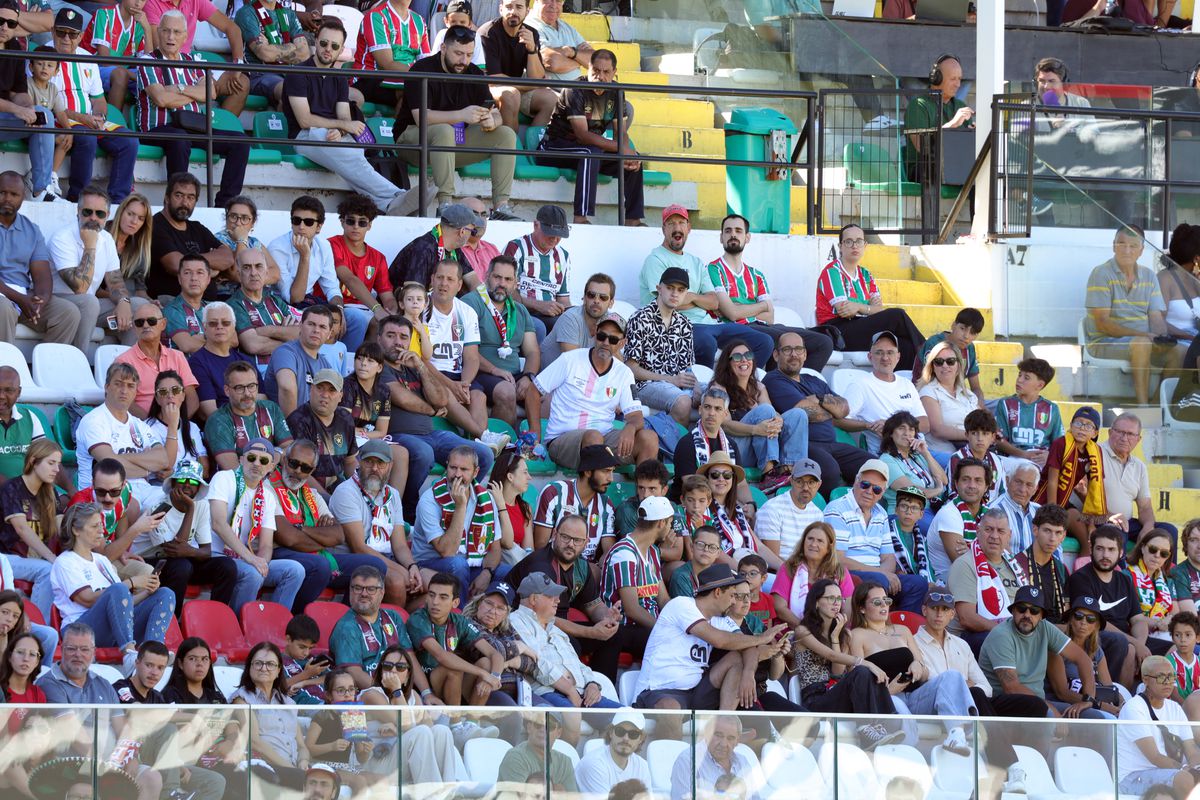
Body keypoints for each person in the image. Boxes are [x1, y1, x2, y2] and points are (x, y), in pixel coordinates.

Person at [633, 564, 786, 737]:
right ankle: (672, 759)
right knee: (671, 708)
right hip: (658, 691)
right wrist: (762, 638)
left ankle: (723, 727)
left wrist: (749, 674)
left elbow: (747, 645)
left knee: (736, 658)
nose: (734, 601)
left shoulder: (721, 619)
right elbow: (719, 640)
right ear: (718, 592)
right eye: (732, 595)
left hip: (695, 692)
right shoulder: (681, 605)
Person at [375, 315, 495, 517]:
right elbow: (402, 398)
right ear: (379, 339)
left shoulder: (413, 367)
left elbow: (440, 399)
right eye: (390, 335)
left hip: (432, 434)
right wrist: (431, 410)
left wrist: (421, 366)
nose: (398, 342)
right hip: (398, 435)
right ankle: (408, 510)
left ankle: (450, 504)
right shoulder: (378, 366)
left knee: (483, 454)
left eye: (403, 337)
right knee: (423, 453)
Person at [393, 26, 519, 217]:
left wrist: (492, 121)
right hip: (412, 142)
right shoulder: (422, 68)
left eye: (469, 54)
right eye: (458, 53)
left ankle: (501, 207)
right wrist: (462, 115)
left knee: (506, 134)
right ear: (443, 48)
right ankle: (445, 204)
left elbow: (496, 113)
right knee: (444, 130)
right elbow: (421, 118)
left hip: (451, 146)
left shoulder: (474, 72)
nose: (464, 60)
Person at [135, 11, 251, 206]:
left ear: (185, 36)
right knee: (180, 140)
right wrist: (194, 92)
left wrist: (179, 89)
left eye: (177, 32)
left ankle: (225, 205)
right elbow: (161, 99)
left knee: (240, 142)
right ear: (159, 33)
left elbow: (211, 93)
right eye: (166, 31)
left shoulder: (194, 62)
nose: (171, 37)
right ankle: (177, 202)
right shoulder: (148, 61)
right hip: (157, 128)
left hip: (193, 127)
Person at [849, 580, 977, 755]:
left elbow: (924, 674)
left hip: (916, 696)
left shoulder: (903, 631)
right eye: (877, 602)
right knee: (897, 705)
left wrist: (918, 665)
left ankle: (956, 734)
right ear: (862, 608)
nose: (884, 606)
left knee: (952, 676)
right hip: (886, 699)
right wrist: (887, 691)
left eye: (886, 601)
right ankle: (910, 760)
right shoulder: (857, 635)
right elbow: (858, 681)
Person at [640, 205, 774, 368]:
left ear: (689, 228)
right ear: (663, 229)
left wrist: (693, 297)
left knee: (764, 341)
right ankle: (706, 388)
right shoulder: (656, 259)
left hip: (710, 324)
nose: (677, 228)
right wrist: (697, 300)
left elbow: (714, 302)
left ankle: (741, 384)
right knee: (706, 342)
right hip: (676, 325)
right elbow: (666, 302)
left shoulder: (695, 262)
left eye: (682, 223)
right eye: (671, 224)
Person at [50, 502, 175, 673]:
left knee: (165, 594)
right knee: (118, 588)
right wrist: (132, 582)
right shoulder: (65, 561)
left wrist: (147, 591)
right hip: (80, 629)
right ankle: (130, 654)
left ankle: (154, 651)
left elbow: (122, 603)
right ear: (76, 530)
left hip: (113, 627)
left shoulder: (101, 560)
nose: (101, 531)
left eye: (101, 525)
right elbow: (86, 599)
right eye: (95, 526)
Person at [268, 439, 390, 609]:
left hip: (316, 554)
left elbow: (338, 536)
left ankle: (347, 620)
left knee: (374, 566)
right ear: (284, 460)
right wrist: (320, 536)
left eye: (305, 468)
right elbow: (288, 538)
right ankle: (297, 617)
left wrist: (300, 529)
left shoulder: (312, 494)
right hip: (280, 553)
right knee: (320, 566)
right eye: (293, 463)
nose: (297, 471)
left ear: (311, 471)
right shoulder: (268, 488)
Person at [706, 214, 834, 371]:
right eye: (728, 231)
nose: (733, 234)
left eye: (738, 231)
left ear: (747, 237)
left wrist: (739, 308)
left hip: (763, 326)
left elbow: (770, 316)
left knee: (823, 342)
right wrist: (759, 306)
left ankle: (799, 386)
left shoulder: (756, 275)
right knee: (778, 341)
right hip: (732, 330)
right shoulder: (713, 269)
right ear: (721, 237)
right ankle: (777, 386)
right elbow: (732, 314)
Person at [533, 311, 658, 471]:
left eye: (613, 339)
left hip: (602, 438)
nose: (606, 342)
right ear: (594, 333)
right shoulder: (570, 359)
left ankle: (645, 494)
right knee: (594, 437)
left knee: (649, 438)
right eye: (602, 336)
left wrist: (630, 428)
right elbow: (533, 390)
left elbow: (635, 416)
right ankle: (595, 492)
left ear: (622, 343)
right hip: (562, 440)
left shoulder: (624, 372)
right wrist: (535, 431)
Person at [534, 48, 645, 227]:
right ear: (588, 69)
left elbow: (621, 133)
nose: (600, 76)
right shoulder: (575, 89)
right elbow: (582, 135)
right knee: (590, 152)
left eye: (606, 72)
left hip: (588, 151)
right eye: (596, 71)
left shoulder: (617, 92)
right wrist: (620, 148)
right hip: (554, 148)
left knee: (635, 160)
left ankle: (633, 219)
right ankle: (581, 217)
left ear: (614, 73)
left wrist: (626, 154)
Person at [502, 513, 623, 673]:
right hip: (526, 627)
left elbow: (593, 605)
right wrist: (591, 632)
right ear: (554, 534)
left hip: (554, 626)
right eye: (565, 537)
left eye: (577, 540)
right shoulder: (541, 565)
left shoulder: (582, 567)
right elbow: (543, 618)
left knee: (614, 636)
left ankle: (597, 690)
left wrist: (607, 618)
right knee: (572, 644)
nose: (571, 544)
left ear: (586, 542)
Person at [1085, 225, 1184, 405]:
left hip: (1143, 341)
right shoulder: (1101, 273)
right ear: (1113, 246)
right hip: (1104, 342)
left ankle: (1157, 406)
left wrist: (1161, 338)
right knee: (1141, 344)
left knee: (1179, 351)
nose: (1127, 250)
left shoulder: (1149, 275)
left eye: (1133, 245)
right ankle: (1143, 406)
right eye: (1121, 244)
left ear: (1141, 250)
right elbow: (1102, 324)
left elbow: (1156, 317)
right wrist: (1145, 336)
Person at [763, 331, 870, 497]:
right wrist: (830, 407)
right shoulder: (774, 379)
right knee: (830, 471)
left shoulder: (814, 380)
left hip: (832, 444)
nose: (794, 355)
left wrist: (818, 400)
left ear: (805, 354)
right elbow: (804, 412)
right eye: (787, 350)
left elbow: (844, 409)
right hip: (803, 444)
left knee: (871, 465)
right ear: (776, 355)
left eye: (798, 349)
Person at [47, 9, 137, 204]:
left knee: (129, 141)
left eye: (72, 34)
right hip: (58, 118)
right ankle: (78, 197)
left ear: (80, 36)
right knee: (87, 138)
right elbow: (46, 101)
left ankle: (117, 201)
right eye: (61, 32)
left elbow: (99, 100)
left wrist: (99, 118)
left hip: (86, 120)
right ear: (53, 32)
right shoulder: (43, 56)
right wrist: (84, 119)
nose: (66, 39)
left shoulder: (87, 57)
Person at [207, 437, 306, 614]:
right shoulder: (224, 478)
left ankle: (275, 624)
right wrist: (251, 559)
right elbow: (218, 523)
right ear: (241, 460)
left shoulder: (267, 496)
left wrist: (262, 564)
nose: (257, 464)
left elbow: (266, 545)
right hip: (216, 555)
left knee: (295, 570)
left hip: (244, 559)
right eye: (252, 458)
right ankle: (240, 626)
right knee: (252, 573)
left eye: (264, 460)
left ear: (270, 467)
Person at [133, 460, 239, 617]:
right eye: (182, 480)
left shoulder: (201, 505)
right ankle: (172, 621)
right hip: (148, 561)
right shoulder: (158, 507)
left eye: (193, 481)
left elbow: (206, 551)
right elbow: (173, 551)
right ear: (174, 483)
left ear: (199, 487)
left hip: (179, 559)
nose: (187, 485)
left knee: (227, 566)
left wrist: (190, 550)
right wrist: (190, 510)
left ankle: (216, 619)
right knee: (182, 565)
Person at [979, 585, 1100, 718]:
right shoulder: (1001, 635)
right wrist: (1051, 709)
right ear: (1013, 611)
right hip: (1006, 705)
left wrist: (1088, 700)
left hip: (1039, 703)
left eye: (1034, 611)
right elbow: (1011, 688)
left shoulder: (1045, 628)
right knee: (1047, 714)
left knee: (1097, 717)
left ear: (1041, 615)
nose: (1027, 615)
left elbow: (1082, 658)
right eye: (1022, 609)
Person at [814, 224, 926, 368]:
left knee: (905, 345)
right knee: (897, 315)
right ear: (840, 246)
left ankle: (910, 383)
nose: (854, 246)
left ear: (865, 245)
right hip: (838, 332)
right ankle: (929, 350)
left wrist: (859, 307)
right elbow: (844, 311)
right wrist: (868, 307)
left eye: (859, 241)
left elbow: (879, 309)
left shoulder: (865, 274)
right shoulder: (832, 272)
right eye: (849, 241)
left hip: (861, 326)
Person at [824, 458, 928, 612]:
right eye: (865, 485)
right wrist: (881, 573)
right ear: (856, 481)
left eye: (876, 489)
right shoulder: (837, 509)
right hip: (847, 575)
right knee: (879, 581)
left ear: (882, 493)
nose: (869, 492)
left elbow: (888, 557)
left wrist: (884, 573)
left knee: (918, 583)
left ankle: (902, 627)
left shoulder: (881, 513)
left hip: (877, 575)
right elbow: (837, 560)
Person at [329, 441, 424, 604]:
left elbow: (400, 545)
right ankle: (393, 626)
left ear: (390, 465)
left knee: (431, 584)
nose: (374, 468)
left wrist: (411, 567)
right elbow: (358, 547)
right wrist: (399, 571)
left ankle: (405, 622)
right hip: (352, 559)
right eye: (369, 462)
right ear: (359, 462)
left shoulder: (392, 494)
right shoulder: (346, 492)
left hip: (383, 557)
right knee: (396, 581)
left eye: (381, 463)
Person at [508, 572, 620, 711]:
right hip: (547, 693)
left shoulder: (556, 629)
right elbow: (536, 663)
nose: (558, 600)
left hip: (581, 692)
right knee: (572, 718)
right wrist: (570, 691)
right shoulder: (515, 621)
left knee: (630, 716)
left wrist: (592, 684)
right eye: (551, 596)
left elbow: (579, 664)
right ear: (533, 599)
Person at [48, 186, 140, 352]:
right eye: (87, 212)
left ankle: (125, 366)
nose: (93, 218)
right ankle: (78, 362)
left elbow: (115, 282)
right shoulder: (62, 238)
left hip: (89, 306)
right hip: (59, 300)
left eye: (100, 214)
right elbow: (80, 288)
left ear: (107, 216)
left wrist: (123, 301)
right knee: (89, 302)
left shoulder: (106, 239)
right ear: (78, 211)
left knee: (139, 306)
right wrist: (90, 245)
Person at [0, 171, 83, 350]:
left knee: (68, 313)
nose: (7, 198)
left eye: (14, 194)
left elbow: (43, 276)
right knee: (2, 307)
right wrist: (21, 299)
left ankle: (48, 370)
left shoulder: (32, 231)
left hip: (22, 299)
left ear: (23, 198)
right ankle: (4, 371)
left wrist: (40, 302)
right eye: (2, 192)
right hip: (5, 300)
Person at [269, 199, 368, 350]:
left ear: (319, 227)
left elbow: (332, 288)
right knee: (316, 323)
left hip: (309, 303)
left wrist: (339, 313)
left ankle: (346, 364)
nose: (301, 227)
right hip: (282, 306)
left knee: (356, 319)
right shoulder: (278, 248)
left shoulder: (323, 246)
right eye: (296, 221)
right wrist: (305, 257)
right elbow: (293, 298)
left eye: (308, 222)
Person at [1070, 524, 1161, 688]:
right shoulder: (1081, 578)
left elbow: (1138, 620)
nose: (1105, 555)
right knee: (1127, 647)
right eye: (1100, 549)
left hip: (1127, 637)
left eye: (1111, 550)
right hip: (1096, 635)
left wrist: (1141, 643)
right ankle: (1121, 699)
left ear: (1120, 553)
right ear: (1091, 549)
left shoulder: (1124, 580)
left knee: (1173, 649)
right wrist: (1135, 644)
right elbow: (1094, 622)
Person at [713, 339, 810, 492]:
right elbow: (724, 425)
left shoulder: (758, 387)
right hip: (734, 451)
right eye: (737, 357)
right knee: (764, 410)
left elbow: (773, 412)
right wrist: (756, 429)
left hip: (757, 446)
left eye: (748, 355)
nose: (744, 360)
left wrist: (777, 420)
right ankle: (768, 474)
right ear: (728, 363)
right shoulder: (720, 388)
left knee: (797, 415)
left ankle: (791, 471)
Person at [75, 362, 176, 506]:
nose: (124, 390)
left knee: (176, 502)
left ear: (135, 392)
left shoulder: (139, 425)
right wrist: (148, 470)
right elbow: (110, 467)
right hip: (105, 494)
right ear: (106, 387)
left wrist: (121, 458)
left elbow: (163, 459)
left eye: (130, 386)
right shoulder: (94, 420)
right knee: (133, 506)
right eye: (118, 384)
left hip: (144, 490)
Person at [412, 445, 508, 597]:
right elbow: (447, 551)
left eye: (464, 470)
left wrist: (487, 572)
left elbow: (494, 548)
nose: (457, 474)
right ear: (446, 467)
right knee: (458, 564)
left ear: (475, 472)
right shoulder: (429, 499)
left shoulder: (486, 499)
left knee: (506, 572)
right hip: (432, 562)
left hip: (472, 562)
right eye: (453, 467)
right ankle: (461, 616)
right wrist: (460, 506)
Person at [463, 254, 542, 438]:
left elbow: (532, 351)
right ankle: (502, 450)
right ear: (486, 276)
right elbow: (465, 350)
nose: (502, 283)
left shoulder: (520, 310)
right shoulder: (472, 302)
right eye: (497, 277)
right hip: (481, 373)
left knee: (547, 396)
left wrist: (529, 376)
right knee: (506, 392)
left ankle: (533, 449)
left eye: (508, 279)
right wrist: (494, 370)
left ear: (515, 284)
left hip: (513, 375)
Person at [328, 564, 433, 697]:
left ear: (382, 592)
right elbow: (354, 672)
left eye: (371, 589)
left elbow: (409, 658)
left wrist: (427, 693)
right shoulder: (347, 627)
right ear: (350, 590)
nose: (364, 594)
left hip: (396, 692)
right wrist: (389, 694)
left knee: (417, 698)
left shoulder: (393, 617)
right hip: (366, 696)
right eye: (358, 588)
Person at [599, 497, 674, 676]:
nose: (671, 528)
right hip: (624, 627)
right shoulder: (624, 553)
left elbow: (663, 598)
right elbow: (632, 609)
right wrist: (662, 630)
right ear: (661, 523)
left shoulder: (653, 551)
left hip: (646, 626)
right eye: (670, 522)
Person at [227, 641, 309, 791]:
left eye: (270, 664)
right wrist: (292, 770)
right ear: (249, 667)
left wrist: (303, 761)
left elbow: (301, 745)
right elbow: (255, 742)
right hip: (264, 768)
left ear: (278, 670)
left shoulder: (288, 702)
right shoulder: (241, 699)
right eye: (258, 663)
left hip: (294, 769)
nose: (264, 668)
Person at [1117, 655, 1200, 797]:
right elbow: (1154, 756)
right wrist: (1186, 769)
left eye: (1172, 677)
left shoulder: (1174, 707)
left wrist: (1196, 767)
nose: (1168, 683)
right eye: (1161, 677)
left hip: (1170, 771)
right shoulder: (1134, 708)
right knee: (1184, 779)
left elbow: (1191, 749)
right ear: (1145, 679)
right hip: (1133, 777)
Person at [945, 507, 1026, 654]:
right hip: (970, 639)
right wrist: (1009, 632)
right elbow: (967, 618)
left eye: (1001, 531)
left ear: (1009, 535)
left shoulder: (1014, 566)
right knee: (1000, 640)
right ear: (978, 531)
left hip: (1012, 630)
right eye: (989, 529)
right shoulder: (965, 564)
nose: (994, 536)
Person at [0, 439, 62, 623]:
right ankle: (36, 627)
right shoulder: (12, 488)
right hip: (5, 557)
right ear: (34, 461)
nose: (57, 469)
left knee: (56, 568)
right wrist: (52, 557)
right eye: (51, 463)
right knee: (47, 569)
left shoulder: (51, 493)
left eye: (58, 464)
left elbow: (62, 528)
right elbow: (22, 529)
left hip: (33, 560)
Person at [0, 5, 57, 202]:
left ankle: (41, 191)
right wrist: (17, 109)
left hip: (4, 118)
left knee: (45, 116)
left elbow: (19, 93)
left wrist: (28, 108)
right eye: (0, 21)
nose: (4, 27)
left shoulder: (14, 47)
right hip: (5, 114)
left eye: (11, 23)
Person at [146, 173, 235, 299]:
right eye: (179, 195)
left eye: (190, 197)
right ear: (167, 198)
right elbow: (175, 264)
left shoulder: (197, 227)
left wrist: (188, 261)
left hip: (208, 305)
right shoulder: (155, 226)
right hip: (173, 304)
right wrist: (211, 268)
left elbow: (228, 257)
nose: (184, 202)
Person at [842, 330, 929, 455]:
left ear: (898, 357)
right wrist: (867, 425)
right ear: (870, 357)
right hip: (888, 455)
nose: (885, 358)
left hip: (920, 451)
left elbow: (925, 425)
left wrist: (890, 425)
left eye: (890, 352)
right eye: (879, 353)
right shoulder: (860, 385)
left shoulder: (906, 384)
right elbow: (839, 421)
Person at [477, 0, 556, 131]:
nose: (513, 12)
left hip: (518, 87)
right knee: (511, 94)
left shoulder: (531, 33)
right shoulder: (487, 33)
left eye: (519, 7)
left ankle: (534, 145)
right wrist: (530, 84)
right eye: (508, 7)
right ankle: (513, 147)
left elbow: (537, 77)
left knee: (551, 99)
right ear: (500, 9)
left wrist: (532, 49)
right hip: (489, 89)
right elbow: (492, 79)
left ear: (527, 11)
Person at [532, 443, 619, 559]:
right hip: (553, 565)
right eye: (605, 471)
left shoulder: (606, 504)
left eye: (612, 471)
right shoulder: (554, 493)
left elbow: (608, 552)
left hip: (587, 571)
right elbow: (540, 547)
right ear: (587, 471)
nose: (611, 479)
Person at [329, 195, 400, 335]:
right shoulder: (331, 245)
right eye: (350, 221)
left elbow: (388, 296)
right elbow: (350, 279)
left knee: (386, 324)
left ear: (369, 225)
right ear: (342, 222)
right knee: (359, 318)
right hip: (334, 306)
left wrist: (392, 312)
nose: (356, 226)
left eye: (362, 222)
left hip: (365, 309)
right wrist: (377, 309)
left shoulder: (378, 257)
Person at [204, 360, 293, 470]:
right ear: (227, 390)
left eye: (251, 386)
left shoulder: (271, 408)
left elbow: (289, 448)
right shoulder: (218, 421)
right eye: (239, 388)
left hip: (274, 478)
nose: (247, 393)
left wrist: (278, 452)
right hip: (237, 484)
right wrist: (273, 458)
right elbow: (232, 468)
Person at [114, 303, 200, 417]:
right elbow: (126, 403)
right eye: (139, 322)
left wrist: (177, 424)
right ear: (134, 328)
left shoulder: (177, 356)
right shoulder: (123, 361)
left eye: (152, 321)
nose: (145, 325)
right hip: (144, 427)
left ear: (163, 324)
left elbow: (192, 398)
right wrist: (154, 426)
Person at [1103, 413, 1175, 547]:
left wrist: (1148, 526)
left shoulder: (1139, 466)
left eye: (1130, 434)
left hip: (1126, 522)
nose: (1124, 438)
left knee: (1168, 531)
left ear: (1138, 439)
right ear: (1109, 432)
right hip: (1100, 519)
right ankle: (1120, 569)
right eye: (1120, 432)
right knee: (1119, 529)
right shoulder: (1096, 454)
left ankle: (1165, 569)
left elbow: (1145, 507)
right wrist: (1109, 516)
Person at [1045, 594, 1122, 717]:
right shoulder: (1057, 646)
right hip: (1061, 703)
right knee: (1104, 718)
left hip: (1089, 703)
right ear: (1070, 619)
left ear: (1096, 625)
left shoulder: (1096, 651)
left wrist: (1123, 706)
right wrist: (1101, 705)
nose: (1083, 622)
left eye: (1090, 619)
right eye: (1079, 616)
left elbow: (1108, 687)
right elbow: (1062, 692)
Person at [502, 205, 572, 338]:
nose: (555, 239)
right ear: (536, 225)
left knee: (574, 325)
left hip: (551, 316)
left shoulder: (564, 256)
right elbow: (505, 290)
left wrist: (570, 314)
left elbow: (563, 299)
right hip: (519, 312)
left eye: (559, 235)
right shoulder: (516, 248)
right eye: (550, 233)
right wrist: (539, 305)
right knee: (538, 327)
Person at [902, 53, 974, 182]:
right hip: (924, 168)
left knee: (987, 172)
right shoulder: (918, 105)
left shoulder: (960, 106)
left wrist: (973, 135)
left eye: (959, 79)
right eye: (953, 79)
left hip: (956, 165)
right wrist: (953, 124)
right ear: (937, 78)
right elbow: (922, 146)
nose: (958, 84)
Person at [284, 368, 359, 491]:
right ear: (311, 389)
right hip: (309, 491)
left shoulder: (345, 418)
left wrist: (360, 490)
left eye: (331, 390)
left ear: (340, 396)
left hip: (340, 489)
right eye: (320, 388)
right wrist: (327, 499)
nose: (325, 395)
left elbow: (350, 462)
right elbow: (299, 471)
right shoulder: (299, 420)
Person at [230, 246, 302, 371]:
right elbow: (253, 345)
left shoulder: (275, 301)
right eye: (247, 267)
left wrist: (268, 330)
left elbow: (301, 334)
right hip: (258, 372)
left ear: (266, 272)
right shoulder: (234, 304)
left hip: (289, 366)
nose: (253, 273)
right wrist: (287, 337)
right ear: (239, 274)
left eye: (258, 266)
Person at [771, 520, 854, 627]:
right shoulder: (789, 567)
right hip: (794, 630)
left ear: (829, 547)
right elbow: (779, 607)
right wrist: (806, 630)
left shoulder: (840, 571)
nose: (813, 544)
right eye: (810, 539)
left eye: (820, 541)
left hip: (831, 633)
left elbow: (848, 608)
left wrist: (833, 632)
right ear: (803, 542)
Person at [700, 453, 776, 568]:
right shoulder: (702, 510)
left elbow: (759, 547)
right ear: (707, 479)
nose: (721, 479)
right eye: (715, 475)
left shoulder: (737, 511)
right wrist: (744, 573)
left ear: (733, 479)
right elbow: (715, 552)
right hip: (724, 574)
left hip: (748, 570)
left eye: (727, 475)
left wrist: (785, 569)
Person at [263, 305, 337, 415]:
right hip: (284, 426)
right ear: (300, 326)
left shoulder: (326, 365)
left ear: (329, 334)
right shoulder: (286, 352)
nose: (316, 330)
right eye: (311, 324)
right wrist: (295, 425)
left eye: (322, 327)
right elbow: (286, 388)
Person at [354, 0, 430, 108]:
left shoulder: (419, 21)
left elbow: (426, 63)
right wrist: (422, 76)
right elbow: (386, 64)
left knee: (427, 90)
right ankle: (401, 125)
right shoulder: (376, 16)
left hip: (408, 77)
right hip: (370, 77)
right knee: (415, 90)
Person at [233, 0, 307, 107]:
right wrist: (291, 46)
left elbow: (304, 55)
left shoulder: (289, 14)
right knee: (289, 91)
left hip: (288, 73)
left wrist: (273, 50)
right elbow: (264, 54)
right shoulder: (246, 13)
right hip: (259, 74)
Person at [928, 457, 991, 584]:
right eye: (965, 480)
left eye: (978, 480)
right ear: (956, 484)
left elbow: (1004, 554)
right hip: (950, 583)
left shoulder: (990, 514)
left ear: (986, 487)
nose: (971, 485)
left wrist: (972, 551)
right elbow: (964, 565)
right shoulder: (948, 514)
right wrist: (988, 552)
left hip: (981, 579)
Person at [190, 303, 257, 420]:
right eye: (213, 323)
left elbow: (261, 399)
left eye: (226, 323)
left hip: (253, 423)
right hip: (223, 428)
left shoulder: (245, 360)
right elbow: (209, 412)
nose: (219, 327)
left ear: (234, 327)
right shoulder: (196, 362)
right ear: (204, 327)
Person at [388, 203, 475, 291]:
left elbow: (473, 280)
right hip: (401, 302)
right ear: (462, 231)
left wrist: (487, 301)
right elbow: (413, 292)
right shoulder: (422, 248)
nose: (472, 235)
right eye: (472, 231)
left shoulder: (455, 249)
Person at [916, 340, 979, 456]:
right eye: (939, 362)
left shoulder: (969, 395)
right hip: (945, 454)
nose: (945, 366)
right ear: (932, 367)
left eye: (950, 361)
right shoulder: (928, 392)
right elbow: (937, 429)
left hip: (973, 451)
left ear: (959, 365)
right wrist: (972, 435)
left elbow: (982, 422)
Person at [212, 195, 282, 300]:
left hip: (259, 297)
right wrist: (241, 240)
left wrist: (254, 281)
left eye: (244, 218)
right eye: (233, 216)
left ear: (252, 223)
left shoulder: (255, 242)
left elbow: (275, 274)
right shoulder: (217, 240)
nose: (238, 223)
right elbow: (237, 274)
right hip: (229, 299)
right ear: (226, 218)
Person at [878, 410, 946, 516]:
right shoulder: (886, 460)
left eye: (911, 429)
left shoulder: (918, 455)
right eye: (901, 428)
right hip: (906, 513)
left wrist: (926, 453)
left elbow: (944, 480)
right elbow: (912, 492)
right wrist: (937, 490)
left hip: (931, 510)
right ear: (891, 433)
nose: (907, 433)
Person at [541, 272, 614, 366]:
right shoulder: (570, 318)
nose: (596, 301)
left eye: (603, 297)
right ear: (584, 298)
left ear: (611, 303)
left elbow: (618, 365)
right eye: (591, 295)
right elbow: (572, 364)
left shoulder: (611, 322)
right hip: (550, 377)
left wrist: (612, 341)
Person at [574, 712, 651, 800]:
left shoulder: (642, 766)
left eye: (633, 734)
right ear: (611, 733)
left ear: (641, 739)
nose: (626, 738)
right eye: (620, 731)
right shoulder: (594, 763)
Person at [496, 711, 578, 794]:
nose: (543, 729)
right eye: (538, 724)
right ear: (529, 728)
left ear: (559, 733)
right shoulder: (515, 757)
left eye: (550, 725)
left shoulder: (565, 762)